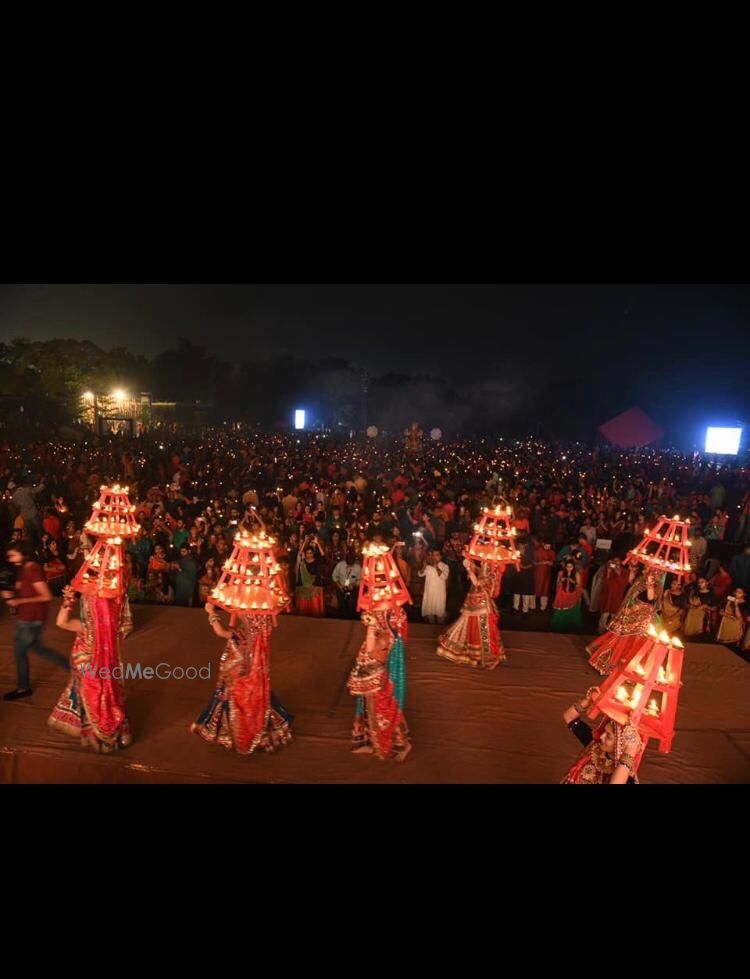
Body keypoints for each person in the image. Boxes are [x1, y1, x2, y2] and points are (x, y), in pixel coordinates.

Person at [192, 603, 293, 754]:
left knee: (228, 704)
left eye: (243, 613)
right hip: (253, 678)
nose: (239, 613)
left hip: (235, 677)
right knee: (261, 701)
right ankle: (265, 732)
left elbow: (220, 632)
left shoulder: (239, 636)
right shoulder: (260, 635)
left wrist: (210, 612)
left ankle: (232, 734)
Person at [48, 585, 132, 752]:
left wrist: (69, 600)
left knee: (102, 697)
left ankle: (107, 736)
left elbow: (62, 622)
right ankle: (108, 735)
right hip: (94, 668)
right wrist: (68, 600)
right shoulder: (102, 626)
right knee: (102, 697)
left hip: (98, 668)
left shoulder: (99, 627)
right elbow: (62, 622)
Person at [2, 542, 68, 700]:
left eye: (13, 555)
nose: (10, 559)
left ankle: (23, 688)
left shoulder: (32, 568)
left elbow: (46, 596)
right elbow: (21, 587)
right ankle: (73, 669)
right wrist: (9, 593)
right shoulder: (24, 568)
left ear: (24, 553)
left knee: (20, 652)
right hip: (28, 617)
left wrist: (18, 602)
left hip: (31, 618)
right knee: (38, 649)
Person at [348, 607, 410, 761]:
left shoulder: (384, 638)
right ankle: (369, 742)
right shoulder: (381, 634)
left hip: (377, 682)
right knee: (367, 709)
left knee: (382, 712)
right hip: (367, 679)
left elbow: (370, 649)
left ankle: (400, 744)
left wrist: (371, 626)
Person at [586, 569, 662, 676]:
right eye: (649, 571)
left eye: (656, 573)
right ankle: (612, 665)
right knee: (620, 637)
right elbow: (630, 590)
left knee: (636, 641)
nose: (651, 573)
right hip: (630, 614)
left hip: (643, 617)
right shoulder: (640, 580)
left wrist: (650, 583)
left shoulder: (657, 586)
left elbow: (651, 598)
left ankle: (633, 669)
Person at [561, 686, 643, 784]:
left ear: (620, 744)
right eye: (604, 732)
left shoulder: (626, 776)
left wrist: (630, 749)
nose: (601, 737)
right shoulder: (594, 747)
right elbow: (569, 717)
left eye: (608, 736)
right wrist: (588, 701)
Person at [437, 558, 505, 668]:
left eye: (485, 562)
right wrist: (472, 565)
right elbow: (480, 571)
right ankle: (476, 656)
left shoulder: (492, 575)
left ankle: (488, 659)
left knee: (484, 634)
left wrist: (469, 568)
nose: (482, 562)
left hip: (483, 608)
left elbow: (477, 582)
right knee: (471, 628)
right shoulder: (488, 569)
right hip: (475, 604)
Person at [550, 557, 583, 632]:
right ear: (565, 566)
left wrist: (573, 582)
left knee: (572, 609)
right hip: (562, 593)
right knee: (561, 609)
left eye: (570, 567)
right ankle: (560, 625)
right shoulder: (561, 573)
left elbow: (579, 586)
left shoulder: (576, 574)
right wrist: (561, 581)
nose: (569, 568)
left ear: (573, 567)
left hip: (572, 594)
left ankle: (570, 625)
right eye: (567, 567)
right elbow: (557, 583)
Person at [418, 547, 449, 624]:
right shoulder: (428, 566)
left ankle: (440, 631)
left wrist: (436, 567)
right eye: (433, 555)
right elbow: (420, 574)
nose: (434, 557)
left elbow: (444, 577)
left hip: (439, 594)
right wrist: (424, 566)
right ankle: (431, 630)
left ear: (441, 556)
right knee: (430, 612)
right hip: (429, 593)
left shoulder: (445, 566)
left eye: (437, 555)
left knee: (440, 612)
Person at [295, 538, 325, 616]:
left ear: (313, 553)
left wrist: (317, 543)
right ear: (305, 553)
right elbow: (299, 554)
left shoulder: (317, 561)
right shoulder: (302, 562)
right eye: (307, 553)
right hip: (304, 586)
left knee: (315, 607)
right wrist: (305, 542)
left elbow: (322, 555)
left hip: (315, 586)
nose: (309, 554)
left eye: (311, 553)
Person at [331, 549, 361, 619]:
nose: (349, 567)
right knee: (341, 605)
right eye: (348, 565)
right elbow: (334, 576)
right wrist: (339, 585)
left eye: (351, 565)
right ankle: (342, 620)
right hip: (341, 587)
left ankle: (351, 620)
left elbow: (360, 579)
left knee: (351, 606)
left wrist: (353, 585)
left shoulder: (358, 568)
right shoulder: (340, 565)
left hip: (352, 588)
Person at [533, 539, 555, 611]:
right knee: (536, 589)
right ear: (543, 544)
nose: (548, 547)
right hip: (537, 574)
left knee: (545, 590)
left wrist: (550, 563)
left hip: (547, 575)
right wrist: (540, 563)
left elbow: (553, 563)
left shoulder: (552, 552)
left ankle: (543, 607)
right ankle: (533, 606)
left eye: (549, 546)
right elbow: (533, 562)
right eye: (546, 545)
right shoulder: (537, 551)